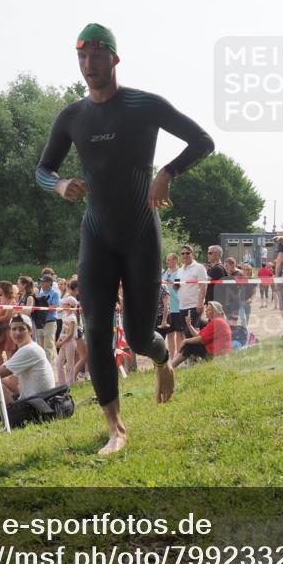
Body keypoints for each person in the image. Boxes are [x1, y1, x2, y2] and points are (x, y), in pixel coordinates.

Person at [35, 23, 214, 454]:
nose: (88, 64)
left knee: (137, 336)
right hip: (96, 234)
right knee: (95, 328)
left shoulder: (143, 105)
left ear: (114, 59)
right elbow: (43, 170)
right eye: (81, 56)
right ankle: (116, 426)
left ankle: (159, 359)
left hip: (139, 234)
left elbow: (203, 140)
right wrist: (58, 186)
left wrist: (166, 174)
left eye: (96, 55)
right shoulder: (73, 116)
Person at [170, 301, 232, 367]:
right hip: (218, 353)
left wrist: (185, 341)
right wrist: (189, 325)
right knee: (190, 345)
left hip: (217, 355)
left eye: (208, 310)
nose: (206, 311)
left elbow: (201, 339)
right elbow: (199, 335)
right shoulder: (217, 321)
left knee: (189, 345)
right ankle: (178, 363)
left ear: (214, 311)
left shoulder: (217, 322)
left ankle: (172, 365)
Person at [161, 252, 184, 360]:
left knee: (179, 333)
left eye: (169, 260)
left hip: (178, 307)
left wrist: (168, 282)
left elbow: (177, 288)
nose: (167, 262)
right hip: (169, 309)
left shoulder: (180, 273)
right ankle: (171, 358)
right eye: (167, 260)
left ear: (175, 260)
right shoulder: (165, 272)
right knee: (170, 335)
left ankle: (180, 356)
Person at [36, 273, 62, 364]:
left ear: (49, 282)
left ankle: (48, 365)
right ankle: (43, 363)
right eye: (41, 282)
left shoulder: (55, 293)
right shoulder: (41, 293)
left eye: (43, 282)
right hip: (41, 321)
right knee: (41, 345)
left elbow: (54, 306)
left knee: (48, 345)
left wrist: (44, 307)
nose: (41, 283)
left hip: (50, 321)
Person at [239, 262, 256, 328]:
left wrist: (251, 299)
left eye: (248, 269)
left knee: (247, 319)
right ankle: (244, 333)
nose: (246, 271)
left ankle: (244, 333)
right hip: (239, 302)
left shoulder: (253, 280)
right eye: (245, 269)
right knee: (243, 319)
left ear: (251, 270)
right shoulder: (239, 279)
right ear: (242, 270)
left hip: (248, 302)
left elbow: (254, 292)